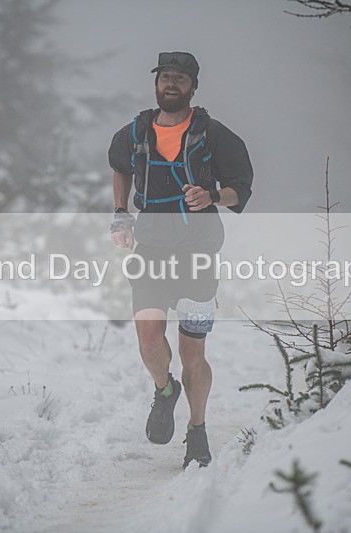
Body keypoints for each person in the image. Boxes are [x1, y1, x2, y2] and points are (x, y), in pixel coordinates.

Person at [108, 51, 253, 468]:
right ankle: (165, 389)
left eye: (180, 78)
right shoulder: (136, 131)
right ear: (157, 84)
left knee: (193, 353)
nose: (171, 84)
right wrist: (120, 212)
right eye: (165, 77)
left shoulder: (215, 135)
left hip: (199, 251)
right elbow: (120, 167)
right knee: (148, 337)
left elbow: (241, 188)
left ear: (193, 86)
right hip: (151, 247)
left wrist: (212, 196)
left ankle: (197, 428)